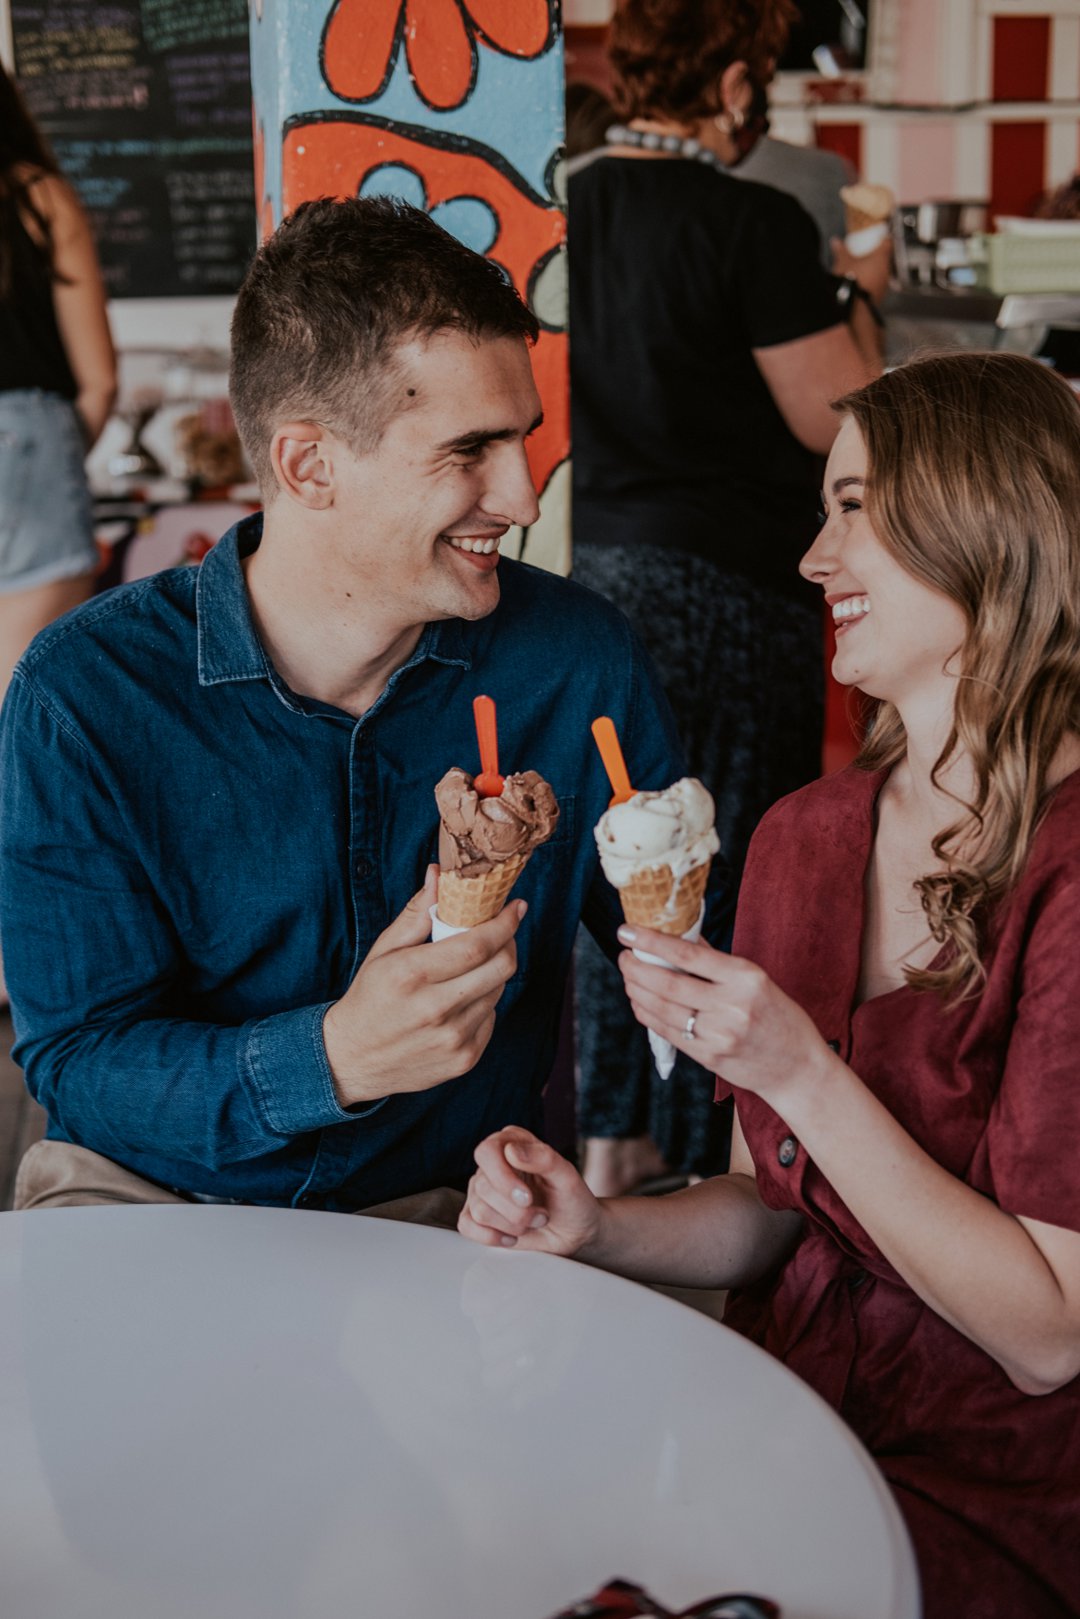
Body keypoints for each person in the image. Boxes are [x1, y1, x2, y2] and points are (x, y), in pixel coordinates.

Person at [461, 351, 1080, 1619]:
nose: (811, 558)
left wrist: (801, 1068)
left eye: (854, 508)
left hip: (1007, 1488)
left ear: (987, 519)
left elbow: (1047, 1335)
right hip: (784, 1427)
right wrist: (598, 1227)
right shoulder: (804, 834)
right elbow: (772, 1207)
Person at [0, 196, 714, 1215]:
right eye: (469, 451)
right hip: (151, 1195)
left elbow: (705, 954)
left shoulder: (576, 659)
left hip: (451, 1204)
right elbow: (78, 1059)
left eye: (522, 440)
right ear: (309, 464)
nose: (523, 498)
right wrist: (331, 1057)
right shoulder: (85, 691)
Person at [569, 0, 881, 1197]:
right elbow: (838, 420)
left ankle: (613, 1132)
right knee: (731, 864)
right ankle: (710, 1153)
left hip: (595, 576)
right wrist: (861, 293)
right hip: (730, 593)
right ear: (740, 85)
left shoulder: (564, 206)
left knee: (623, 861)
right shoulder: (753, 223)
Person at [0, 63, 116, 698]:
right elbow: (99, 382)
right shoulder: (40, 198)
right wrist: (54, 455)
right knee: (26, 700)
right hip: (30, 438)